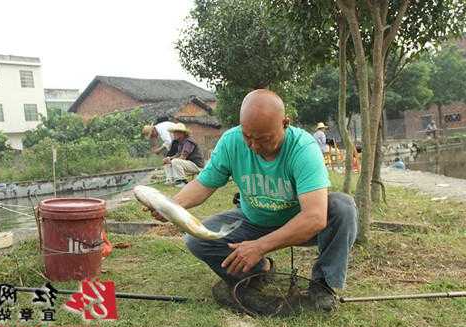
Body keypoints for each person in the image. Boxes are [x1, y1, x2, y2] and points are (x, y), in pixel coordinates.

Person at [150, 90, 358, 312]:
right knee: (197, 239)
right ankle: (259, 271)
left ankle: (323, 284)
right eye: (248, 136)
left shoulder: (303, 148)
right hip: (253, 219)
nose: (254, 146)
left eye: (264, 139)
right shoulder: (231, 141)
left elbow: (315, 217)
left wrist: (260, 246)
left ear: (285, 123)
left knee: (342, 208)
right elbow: (203, 184)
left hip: (299, 223)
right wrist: (171, 206)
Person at [163, 123, 205, 187]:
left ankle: (182, 181)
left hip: (197, 165)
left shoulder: (188, 141)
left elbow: (183, 157)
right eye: (174, 132)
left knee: (175, 161)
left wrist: (172, 160)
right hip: (188, 164)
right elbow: (178, 154)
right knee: (167, 162)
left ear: (182, 133)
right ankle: (170, 180)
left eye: (175, 132)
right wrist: (169, 158)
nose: (174, 134)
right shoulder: (180, 142)